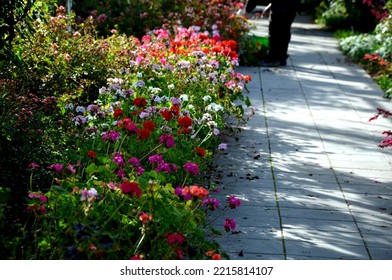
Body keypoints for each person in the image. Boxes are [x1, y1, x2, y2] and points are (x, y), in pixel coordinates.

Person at [259, 0, 300, 67]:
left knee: (275, 32)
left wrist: (247, 9)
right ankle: (281, 57)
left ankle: (273, 59)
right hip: (291, 7)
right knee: (284, 30)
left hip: (280, 8)